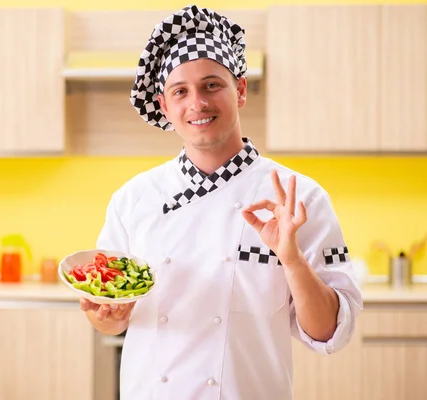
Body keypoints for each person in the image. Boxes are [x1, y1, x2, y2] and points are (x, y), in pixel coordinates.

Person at [79, 5, 363, 400]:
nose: (197, 103)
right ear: (165, 107)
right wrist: (105, 316)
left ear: (240, 90)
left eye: (212, 85)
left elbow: (331, 333)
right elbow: (111, 322)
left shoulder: (297, 196)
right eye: (180, 91)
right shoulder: (133, 199)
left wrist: (292, 259)